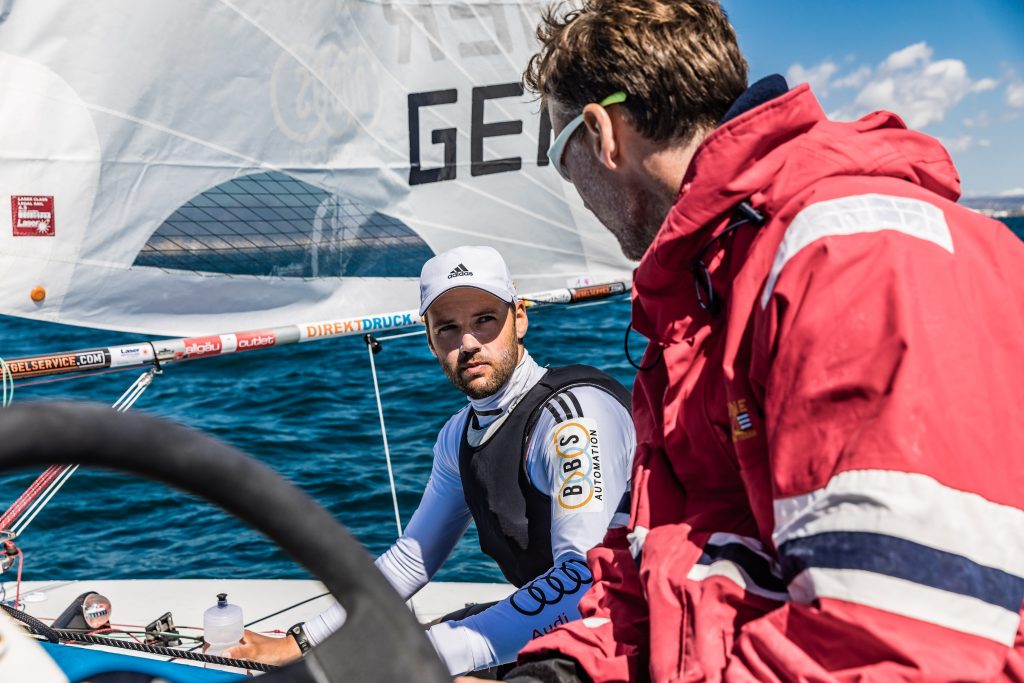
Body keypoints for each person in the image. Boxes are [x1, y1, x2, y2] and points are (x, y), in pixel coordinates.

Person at [489, 1, 1024, 681]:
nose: (579, 195)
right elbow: (669, 555)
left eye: (562, 163)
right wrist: (569, 667)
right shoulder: (704, 300)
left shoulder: (850, 260)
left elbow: (899, 646)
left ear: (602, 134)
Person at [225, 245, 636, 676]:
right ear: (429, 341)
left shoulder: (573, 419)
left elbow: (583, 582)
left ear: (519, 319)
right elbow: (410, 560)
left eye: (484, 320)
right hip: (565, 630)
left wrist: (421, 654)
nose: (469, 344)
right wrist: (303, 641)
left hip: (627, 635)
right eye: (448, 329)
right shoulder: (458, 436)